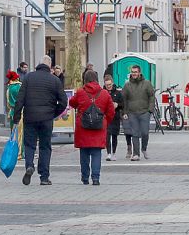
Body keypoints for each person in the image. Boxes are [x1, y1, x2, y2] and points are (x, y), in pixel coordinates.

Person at [12, 56, 67, 186]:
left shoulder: (28, 78)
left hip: (30, 117)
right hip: (47, 118)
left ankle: (29, 165)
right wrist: (54, 113)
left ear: (38, 64)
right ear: (50, 66)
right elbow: (64, 102)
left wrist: (17, 117)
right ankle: (44, 176)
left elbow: (20, 99)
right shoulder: (54, 80)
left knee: (29, 144)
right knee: (45, 146)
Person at [69, 70, 116, 185]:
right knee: (96, 153)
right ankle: (96, 178)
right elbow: (111, 111)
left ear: (85, 79)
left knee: (84, 153)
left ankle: (85, 178)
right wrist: (105, 121)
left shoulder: (80, 92)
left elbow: (72, 102)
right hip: (99, 128)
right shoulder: (104, 93)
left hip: (83, 128)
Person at [122, 65, 156, 161]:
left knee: (145, 133)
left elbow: (152, 97)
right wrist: (125, 112)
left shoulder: (147, 83)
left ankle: (144, 149)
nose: (134, 74)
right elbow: (124, 99)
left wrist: (150, 110)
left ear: (139, 72)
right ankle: (136, 154)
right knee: (135, 133)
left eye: (136, 72)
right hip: (132, 113)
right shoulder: (127, 85)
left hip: (145, 112)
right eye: (132, 72)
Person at [104, 75, 124, 161]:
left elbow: (123, 104)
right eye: (107, 85)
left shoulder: (118, 93)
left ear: (112, 83)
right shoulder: (103, 92)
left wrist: (117, 104)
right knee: (107, 135)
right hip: (106, 117)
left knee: (114, 136)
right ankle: (108, 153)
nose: (109, 86)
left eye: (110, 84)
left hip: (115, 117)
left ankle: (114, 153)